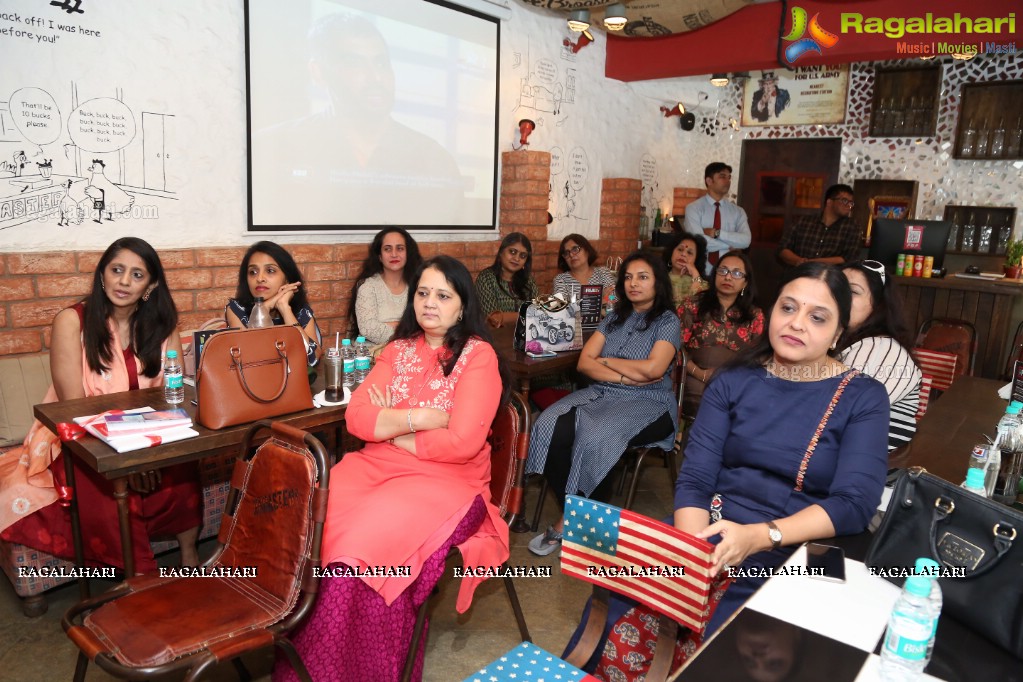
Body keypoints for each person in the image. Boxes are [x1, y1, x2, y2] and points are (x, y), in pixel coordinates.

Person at [577, 263, 889, 681]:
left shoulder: (862, 396)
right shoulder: (734, 380)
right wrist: (691, 551)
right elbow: (696, 479)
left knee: (729, 631)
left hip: (801, 547)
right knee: (622, 595)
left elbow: (854, 504)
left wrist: (760, 537)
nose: (797, 324)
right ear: (770, 312)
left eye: (817, 317)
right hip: (713, 530)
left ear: (837, 333)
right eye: (788, 308)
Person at [275, 256, 510, 682]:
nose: (430, 304)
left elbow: (462, 443)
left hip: (448, 484)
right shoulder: (397, 350)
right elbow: (356, 419)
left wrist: (392, 427)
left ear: (463, 305)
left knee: (358, 548)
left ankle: (357, 670)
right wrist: (422, 417)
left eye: (443, 295)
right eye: (422, 293)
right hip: (374, 466)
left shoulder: (478, 356)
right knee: (310, 516)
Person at [0, 237, 201, 570]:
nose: (124, 281)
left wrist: (151, 452)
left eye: (137, 275)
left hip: (150, 435)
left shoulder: (162, 326)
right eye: (117, 270)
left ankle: (190, 557)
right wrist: (129, 460)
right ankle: (140, 576)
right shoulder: (72, 321)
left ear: (150, 285)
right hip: (82, 437)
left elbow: (171, 396)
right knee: (105, 482)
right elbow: (73, 408)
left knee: (182, 464)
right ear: (102, 274)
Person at [526, 251, 680, 556]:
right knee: (547, 425)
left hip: (651, 402)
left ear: (658, 283)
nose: (633, 283)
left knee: (597, 438)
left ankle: (573, 524)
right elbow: (585, 362)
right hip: (604, 394)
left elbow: (654, 370)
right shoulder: (612, 318)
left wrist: (606, 362)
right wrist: (622, 372)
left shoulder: (667, 321)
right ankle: (581, 518)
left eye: (643, 277)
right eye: (628, 277)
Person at [253, 13, 464, 226]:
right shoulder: (273, 146)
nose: (376, 78)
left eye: (382, 64)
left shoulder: (434, 159)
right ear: (318, 72)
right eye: (355, 64)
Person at [838, 260, 921, 453]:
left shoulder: (879, 348)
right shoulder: (846, 344)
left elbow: (840, 415)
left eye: (853, 291)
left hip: (871, 471)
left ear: (878, 305)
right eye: (836, 288)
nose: (839, 297)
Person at [679, 250, 764, 416]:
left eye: (737, 273)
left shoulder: (755, 315)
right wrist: (699, 373)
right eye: (723, 270)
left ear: (745, 283)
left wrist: (729, 377)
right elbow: (675, 346)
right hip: (693, 376)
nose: (728, 277)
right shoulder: (693, 304)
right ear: (715, 274)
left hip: (734, 381)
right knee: (699, 396)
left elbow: (758, 356)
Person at [225, 241, 322, 366]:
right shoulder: (236, 309)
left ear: (286, 278)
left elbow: (312, 359)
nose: (260, 278)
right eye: (252, 272)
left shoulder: (300, 310)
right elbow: (248, 359)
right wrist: (264, 308)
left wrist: (284, 308)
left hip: (294, 383)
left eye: (270, 270)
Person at [348, 227, 423, 345]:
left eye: (400, 248)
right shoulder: (368, 287)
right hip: (375, 355)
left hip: (413, 352)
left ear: (408, 253)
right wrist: (407, 329)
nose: (394, 254)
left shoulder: (419, 286)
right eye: (387, 249)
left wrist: (391, 325)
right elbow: (369, 329)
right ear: (379, 256)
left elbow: (427, 325)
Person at [684, 163, 751, 267]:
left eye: (729, 177)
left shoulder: (738, 211)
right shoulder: (693, 208)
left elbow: (746, 241)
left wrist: (717, 233)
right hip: (699, 269)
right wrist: (730, 245)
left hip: (726, 271)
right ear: (709, 181)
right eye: (722, 176)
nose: (728, 181)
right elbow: (698, 242)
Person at [777, 184, 861, 267]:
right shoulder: (803, 221)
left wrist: (810, 263)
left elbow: (849, 258)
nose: (849, 206)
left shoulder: (852, 227)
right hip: (798, 276)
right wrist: (798, 261)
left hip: (829, 278)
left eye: (851, 203)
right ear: (829, 202)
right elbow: (782, 248)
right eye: (844, 201)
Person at [476, 232, 539, 328]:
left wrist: (506, 317)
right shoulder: (486, 278)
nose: (517, 258)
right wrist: (529, 315)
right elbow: (493, 319)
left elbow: (540, 312)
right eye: (512, 252)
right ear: (501, 252)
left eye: (522, 256)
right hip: (494, 338)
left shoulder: (528, 281)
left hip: (526, 338)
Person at [552, 233, 616, 302]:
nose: (571, 254)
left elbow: (614, 298)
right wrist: (601, 300)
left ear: (587, 251)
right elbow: (561, 308)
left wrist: (605, 299)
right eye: (566, 253)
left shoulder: (603, 273)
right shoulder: (561, 280)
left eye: (575, 249)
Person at [663, 231, 709, 308]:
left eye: (689, 253)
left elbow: (697, 307)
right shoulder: (659, 279)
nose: (683, 254)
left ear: (696, 260)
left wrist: (695, 274)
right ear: (671, 253)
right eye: (680, 249)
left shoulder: (704, 285)